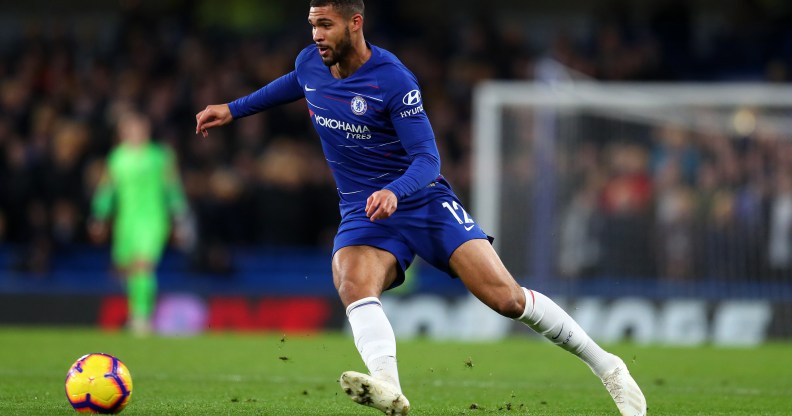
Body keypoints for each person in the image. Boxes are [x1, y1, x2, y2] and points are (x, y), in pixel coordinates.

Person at [195, 1, 647, 415]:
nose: (316, 34)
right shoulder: (310, 61)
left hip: (422, 201)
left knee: (506, 299)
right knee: (352, 282)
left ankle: (609, 367)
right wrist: (234, 109)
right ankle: (388, 387)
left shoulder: (393, 79)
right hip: (363, 210)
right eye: (312, 24)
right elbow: (295, 83)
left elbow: (429, 160)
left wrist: (395, 190)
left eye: (325, 25)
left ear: (355, 23)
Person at [89, 110, 189, 336]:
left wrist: (180, 215)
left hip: (153, 219)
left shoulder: (160, 156)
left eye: (139, 128)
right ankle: (137, 312)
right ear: (122, 133)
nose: (135, 133)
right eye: (129, 129)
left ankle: (141, 318)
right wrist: (98, 215)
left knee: (143, 265)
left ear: (147, 131)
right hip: (126, 222)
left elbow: (172, 188)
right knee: (126, 270)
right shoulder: (117, 158)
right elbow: (107, 189)